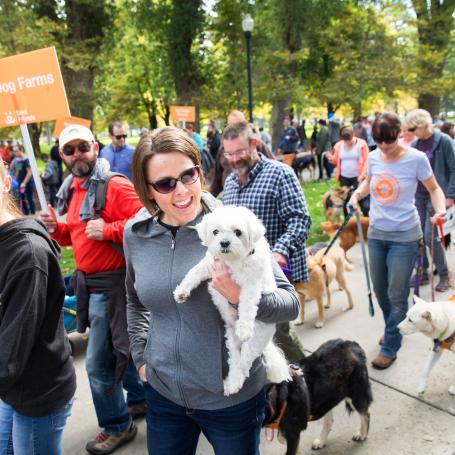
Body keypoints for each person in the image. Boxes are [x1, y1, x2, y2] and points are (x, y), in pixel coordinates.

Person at [125, 126, 299, 454]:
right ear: (148, 191)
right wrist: (140, 356)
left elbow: (290, 303)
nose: (181, 191)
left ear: (200, 172)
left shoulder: (233, 225)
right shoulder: (135, 234)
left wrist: (239, 296)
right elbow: (134, 300)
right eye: (165, 183)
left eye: (188, 175)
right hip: (163, 396)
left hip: (231, 401)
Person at [38, 124, 146, 454]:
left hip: (114, 287)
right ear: (61, 155)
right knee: (121, 351)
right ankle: (139, 402)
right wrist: (57, 230)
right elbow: (78, 236)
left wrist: (111, 229)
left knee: (98, 364)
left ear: (95, 147)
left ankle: (117, 425)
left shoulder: (114, 184)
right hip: (91, 286)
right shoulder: (73, 188)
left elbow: (147, 222)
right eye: (69, 150)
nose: (76, 155)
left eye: (82, 147)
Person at [348, 112, 446, 370]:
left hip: (405, 235)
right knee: (381, 290)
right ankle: (394, 325)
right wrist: (356, 195)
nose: (383, 147)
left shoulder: (416, 159)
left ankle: (390, 344)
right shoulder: (373, 157)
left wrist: (439, 211)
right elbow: (369, 181)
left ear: (401, 134)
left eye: (388, 141)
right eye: (378, 141)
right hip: (377, 233)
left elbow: (434, 188)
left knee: (397, 293)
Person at [0, 159, 76, 454]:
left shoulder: (27, 255)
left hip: (38, 393)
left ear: (6, 183)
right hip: (13, 389)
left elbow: (9, 356)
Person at [222, 121, 311, 363]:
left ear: (253, 144)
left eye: (239, 152)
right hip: (242, 277)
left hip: (274, 275)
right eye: (228, 154)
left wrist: (279, 252)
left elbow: (300, 220)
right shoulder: (230, 182)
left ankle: (303, 378)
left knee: (279, 333)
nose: (233, 160)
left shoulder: (280, 174)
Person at [403, 109, 455, 292]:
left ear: (423, 124)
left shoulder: (444, 141)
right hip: (418, 195)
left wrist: (450, 195)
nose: (410, 132)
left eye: (412, 127)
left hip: (436, 195)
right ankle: (422, 272)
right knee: (418, 235)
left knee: (430, 236)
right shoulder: (416, 144)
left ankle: (444, 275)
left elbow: (454, 168)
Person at [327, 125, 370, 216]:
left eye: (349, 140)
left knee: (362, 200)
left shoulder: (361, 144)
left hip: (358, 177)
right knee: (345, 201)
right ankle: (348, 223)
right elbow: (336, 160)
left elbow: (366, 160)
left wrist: (362, 175)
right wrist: (330, 158)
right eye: (345, 141)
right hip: (344, 177)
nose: (348, 143)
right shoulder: (339, 145)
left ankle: (366, 220)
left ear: (353, 135)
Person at [10, 144, 35, 215]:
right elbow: (18, 171)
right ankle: (27, 214)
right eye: (14, 151)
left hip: (27, 183)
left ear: (21, 150)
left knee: (29, 198)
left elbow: (29, 172)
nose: (15, 153)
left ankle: (33, 214)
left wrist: (24, 182)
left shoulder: (26, 159)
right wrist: (14, 180)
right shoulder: (18, 160)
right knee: (22, 198)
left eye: (16, 151)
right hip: (20, 183)